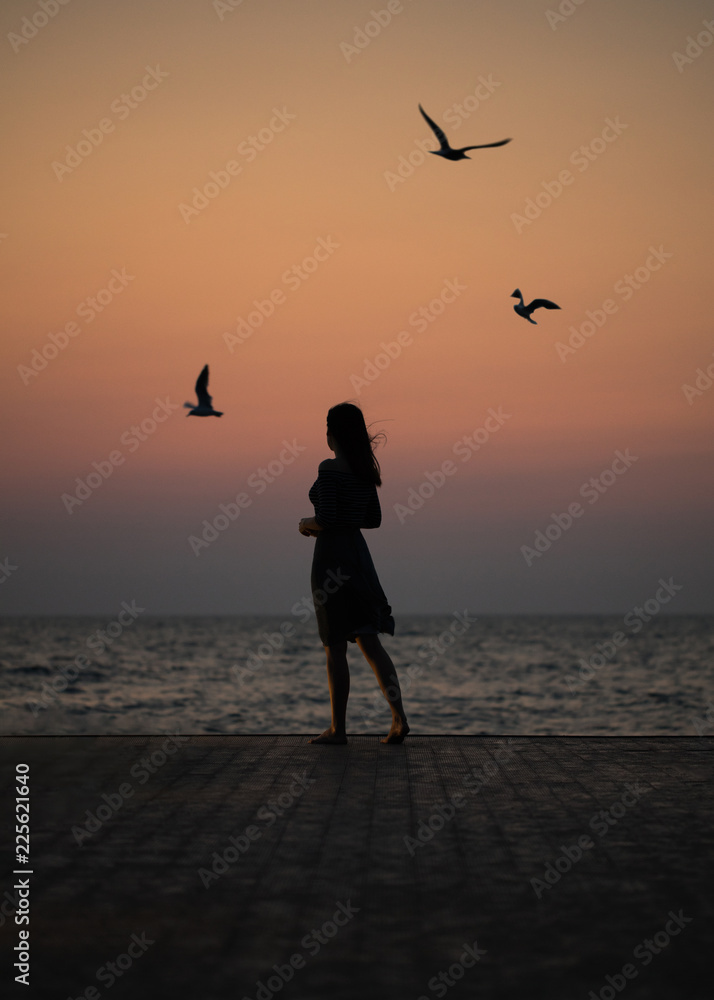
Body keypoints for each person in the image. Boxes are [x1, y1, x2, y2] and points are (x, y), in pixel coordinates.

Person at [299, 402, 410, 745]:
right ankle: (398, 718)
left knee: (334, 646)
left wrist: (306, 524)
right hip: (358, 558)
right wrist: (346, 518)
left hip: (332, 559)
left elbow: (327, 518)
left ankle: (338, 729)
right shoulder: (363, 471)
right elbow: (372, 519)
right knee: (370, 642)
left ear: (333, 434)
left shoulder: (329, 469)